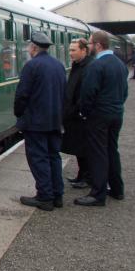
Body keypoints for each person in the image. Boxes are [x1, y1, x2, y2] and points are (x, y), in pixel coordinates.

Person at [14, 31, 67, 211]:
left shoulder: (32, 66)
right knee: (54, 156)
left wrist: (19, 113)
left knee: (38, 158)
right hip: (55, 120)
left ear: (34, 47)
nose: (28, 49)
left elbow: (22, 94)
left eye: (29, 46)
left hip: (36, 122)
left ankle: (44, 196)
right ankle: (57, 195)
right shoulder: (58, 66)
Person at [75, 30, 128, 207]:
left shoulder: (96, 66)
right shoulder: (120, 64)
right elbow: (125, 91)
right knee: (112, 150)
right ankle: (117, 189)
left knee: (98, 153)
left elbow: (88, 93)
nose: (89, 47)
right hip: (117, 113)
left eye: (90, 44)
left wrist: (84, 112)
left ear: (98, 45)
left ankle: (98, 194)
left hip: (99, 116)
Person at [61, 38, 92, 189]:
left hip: (80, 116)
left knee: (84, 148)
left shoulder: (88, 68)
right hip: (74, 115)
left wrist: (76, 111)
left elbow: (85, 93)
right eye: (70, 50)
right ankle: (82, 175)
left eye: (73, 50)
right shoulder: (78, 65)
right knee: (79, 148)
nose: (70, 53)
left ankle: (87, 177)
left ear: (84, 50)